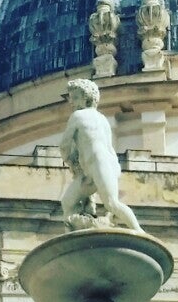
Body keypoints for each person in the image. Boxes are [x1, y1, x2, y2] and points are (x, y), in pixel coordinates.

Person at [60, 79, 142, 233]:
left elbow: (64, 145)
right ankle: (75, 236)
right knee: (67, 202)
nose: (71, 102)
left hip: (98, 164)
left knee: (111, 203)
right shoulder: (103, 120)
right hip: (98, 167)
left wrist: (71, 161)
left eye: (75, 97)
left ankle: (139, 231)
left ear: (86, 97)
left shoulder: (77, 116)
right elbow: (109, 147)